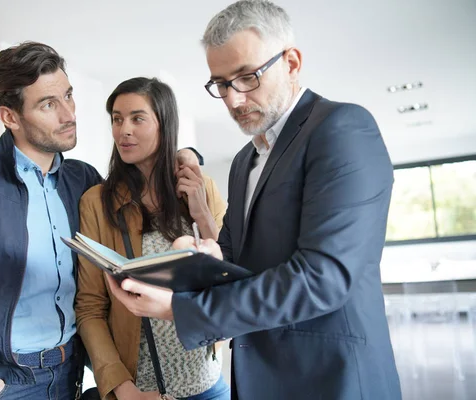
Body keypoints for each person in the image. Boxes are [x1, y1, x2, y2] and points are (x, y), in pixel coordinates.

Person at [106, 1, 403, 399]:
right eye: (220, 84)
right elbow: (233, 253)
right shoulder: (245, 160)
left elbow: (323, 278)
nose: (232, 100)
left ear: (292, 63)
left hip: (331, 381)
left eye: (246, 77)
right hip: (258, 378)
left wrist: (181, 309)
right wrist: (197, 256)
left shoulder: (342, 129)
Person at [0, 42, 201, 400]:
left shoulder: (84, 180)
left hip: (72, 376)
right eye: (49, 104)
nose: (69, 114)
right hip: (1, 383)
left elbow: (147, 185)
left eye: (68, 96)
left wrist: (185, 154)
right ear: (10, 117)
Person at [75, 77, 230, 400]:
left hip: (208, 385)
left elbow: (232, 280)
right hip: (140, 390)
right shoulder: (97, 202)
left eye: (137, 118)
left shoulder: (203, 188)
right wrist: (123, 388)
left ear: (164, 123)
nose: (123, 130)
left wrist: (201, 214)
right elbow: (90, 306)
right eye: (117, 119)